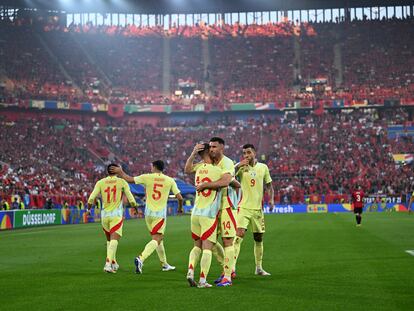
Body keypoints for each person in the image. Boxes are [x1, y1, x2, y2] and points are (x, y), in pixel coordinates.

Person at [111, 160, 183, 274]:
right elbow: (179, 197)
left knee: (159, 239)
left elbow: (129, 179)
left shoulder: (147, 177)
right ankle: (141, 258)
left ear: (154, 167)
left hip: (148, 214)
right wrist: (180, 208)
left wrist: (120, 171)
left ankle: (164, 264)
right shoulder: (169, 180)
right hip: (159, 215)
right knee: (157, 238)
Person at [196, 137, 238, 287]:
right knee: (210, 241)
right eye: (210, 147)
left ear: (222, 148)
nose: (211, 149)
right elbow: (188, 169)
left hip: (227, 206)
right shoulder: (211, 163)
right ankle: (228, 268)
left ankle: (227, 277)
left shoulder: (227, 162)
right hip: (213, 207)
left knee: (227, 240)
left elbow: (226, 181)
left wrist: (206, 185)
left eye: (214, 147)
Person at [184, 143, 224, 288]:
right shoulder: (217, 170)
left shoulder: (199, 168)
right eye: (211, 149)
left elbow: (187, 169)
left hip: (195, 212)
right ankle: (202, 280)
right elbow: (229, 182)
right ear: (208, 151)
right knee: (207, 247)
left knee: (197, 246)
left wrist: (193, 152)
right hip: (208, 213)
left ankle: (190, 271)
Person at [88, 163, 137, 273]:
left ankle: (114, 263)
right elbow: (130, 197)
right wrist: (135, 207)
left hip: (104, 215)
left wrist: (88, 208)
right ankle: (107, 264)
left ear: (107, 171)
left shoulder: (100, 182)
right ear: (117, 170)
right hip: (116, 215)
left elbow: (91, 198)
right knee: (114, 239)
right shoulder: (122, 182)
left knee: (109, 240)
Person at [233, 144, 274, 276]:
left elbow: (269, 186)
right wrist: (238, 165)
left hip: (257, 209)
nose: (246, 155)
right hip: (243, 208)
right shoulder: (241, 168)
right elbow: (228, 175)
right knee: (238, 237)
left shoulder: (263, 167)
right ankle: (231, 268)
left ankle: (259, 268)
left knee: (258, 238)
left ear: (255, 153)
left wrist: (271, 199)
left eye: (249, 152)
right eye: (244, 153)